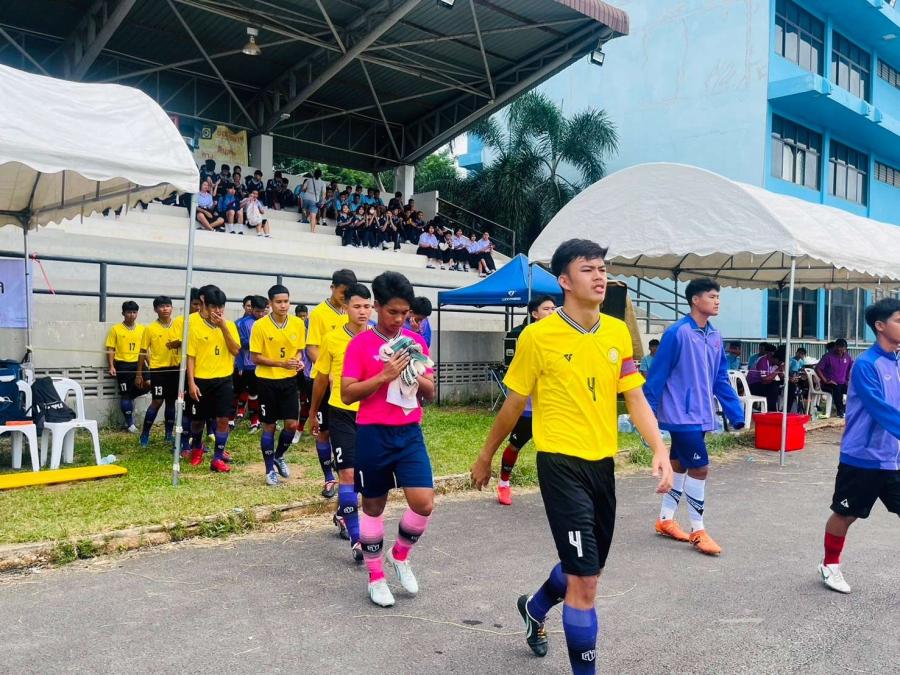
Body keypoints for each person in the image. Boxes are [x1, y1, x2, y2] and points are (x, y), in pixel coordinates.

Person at [470, 240, 672, 673]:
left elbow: (634, 396)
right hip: (560, 464)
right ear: (564, 280)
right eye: (588, 269)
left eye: (602, 268)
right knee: (585, 583)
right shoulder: (537, 336)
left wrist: (659, 448)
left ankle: (535, 607)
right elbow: (513, 403)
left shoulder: (617, 332)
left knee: (588, 569)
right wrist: (486, 456)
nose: (600, 276)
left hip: (603, 465)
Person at [342, 271, 436, 608]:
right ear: (377, 306)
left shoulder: (415, 341)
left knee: (423, 503)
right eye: (392, 312)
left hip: (409, 432)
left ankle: (400, 555)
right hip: (373, 432)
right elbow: (348, 393)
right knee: (373, 506)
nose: (399, 319)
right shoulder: (360, 344)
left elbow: (430, 393)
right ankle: (376, 577)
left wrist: (414, 374)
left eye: (404, 313)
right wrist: (385, 375)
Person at [644, 277, 745, 556]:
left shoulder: (715, 336)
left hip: (701, 414)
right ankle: (698, 530)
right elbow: (657, 375)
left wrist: (735, 412)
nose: (717, 301)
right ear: (695, 300)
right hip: (680, 414)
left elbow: (720, 377)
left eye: (718, 297)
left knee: (678, 466)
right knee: (700, 468)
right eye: (712, 296)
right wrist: (647, 416)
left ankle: (665, 520)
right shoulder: (677, 333)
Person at [818, 298, 900, 594]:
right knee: (846, 514)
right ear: (880, 326)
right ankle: (830, 565)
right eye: (899, 320)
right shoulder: (866, 365)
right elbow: (880, 409)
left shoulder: (897, 362)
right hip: (862, 457)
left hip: (892, 458)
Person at [309, 283, 372, 560]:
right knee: (347, 474)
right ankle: (357, 539)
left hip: (372, 413)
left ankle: (342, 513)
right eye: (357, 306)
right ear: (346, 307)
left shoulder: (379, 338)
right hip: (341, 412)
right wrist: (313, 411)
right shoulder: (332, 339)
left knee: (366, 477)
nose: (362, 311)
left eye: (367, 306)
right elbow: (321, 378)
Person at [494, 295, 556, 506]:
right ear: (534, 313)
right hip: (528, 406)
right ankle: (503, 483)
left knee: (553, 451)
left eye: (554, 308)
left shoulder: (563, 337)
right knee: (515, 445)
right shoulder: (527, 336)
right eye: (546, 309)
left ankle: (557, 489)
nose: (552, 312)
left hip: (551, 406)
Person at [307, 269, 358, 498]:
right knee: (324, 430)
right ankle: (329, 478)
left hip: (350, 384)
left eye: (349, 293)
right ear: (332, 288)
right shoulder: (319, 314)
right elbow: (311, 347)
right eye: (342, 292)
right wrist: (326, 369)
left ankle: (348, 475)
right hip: (326, 382)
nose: (345, 297)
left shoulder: (354, 312)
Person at [250, 285, 307, 486]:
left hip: (289, 381)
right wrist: (280, 363)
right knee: (270, 426)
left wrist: (298, 361)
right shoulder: (260, 326)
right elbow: (255, 357)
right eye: (279, 302)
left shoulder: (298, 323)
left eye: (286, 301)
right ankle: (269, 471)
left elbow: (299, 350)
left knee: (292, 424)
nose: (283, 305)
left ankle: (279, 455)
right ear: (270, 303)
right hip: (267, 382)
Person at [186, 285, 240, 473]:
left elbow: (235, 350)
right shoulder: (194, 325)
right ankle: (196, 448)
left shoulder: (229, 325)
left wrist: (223, 326)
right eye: (214, 307)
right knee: (197, 420)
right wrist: (191, 382)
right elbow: (191, 357)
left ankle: (217, 457)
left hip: (224, 380)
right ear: (205, 306)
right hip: (201, 379)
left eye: (221, 307)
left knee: (223, 419)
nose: (218, 310)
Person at [136, 296, 179, 446]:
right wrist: (139, 374)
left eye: (168, 305)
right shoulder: (150, 329)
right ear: (155, 309)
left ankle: (169, 435)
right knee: (157, 401)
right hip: (158, 370)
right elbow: (142, 352)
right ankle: (144, 434)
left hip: (175, 369)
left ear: (172, 308)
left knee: (171, 402)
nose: (165, 309)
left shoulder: (178, 325)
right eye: (161, 306)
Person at [105, 300, 147, 432]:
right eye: (129, 312)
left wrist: (151, 364)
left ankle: (130, 397)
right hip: (123, 365)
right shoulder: (116, 329)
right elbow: (110, 348)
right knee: (125, 394)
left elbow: (145, 349)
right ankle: (129, 424)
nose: (132, 315)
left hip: (139, 363)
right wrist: (111, 366)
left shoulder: (142, 329)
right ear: (123, 313)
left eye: (134, 312)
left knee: (150, 383)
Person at [233, 296, 267, 431]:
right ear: (251, 309)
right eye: (258, 311)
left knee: (259, 393)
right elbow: (242, 343)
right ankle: (233, 419)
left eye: (263, 311)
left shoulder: (268, 322)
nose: (260, 314)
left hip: (265, 364)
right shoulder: (243, 323)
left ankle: (258, 420)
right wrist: (260, 342)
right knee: (242, 391)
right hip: (249, 364)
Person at [816, 338, 853, 417]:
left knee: (854, 389)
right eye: (838, 347)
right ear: (835, 347)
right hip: (828, 383)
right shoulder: (828, 356)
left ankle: (848, 409)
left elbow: (851, 368)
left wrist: (848, 379)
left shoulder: (847, 357)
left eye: (842, 348)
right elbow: (818, 368)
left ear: (845, 348)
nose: (839, 350)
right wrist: (825, 380)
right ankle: (840, 411)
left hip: (843, 383)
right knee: (836, 388)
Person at [747, 345, 785, 412]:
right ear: (775, 358)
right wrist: (777, 370)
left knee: (789, 385)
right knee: (773, 386)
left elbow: (782, 378)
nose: (780, 363)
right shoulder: (763, 361)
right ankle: (771, 411)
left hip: (765, 384)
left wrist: (782, 371)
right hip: (754, 385)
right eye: (780, 362)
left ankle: (786, 410)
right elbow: (764, 379)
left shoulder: (776, 364)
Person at [300, 168, 326, 233]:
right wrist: (322, 202)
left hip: (306, 197)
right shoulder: (322, 183)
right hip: (315, 200)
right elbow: (324, 194)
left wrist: (308, 190)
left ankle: (304, 220)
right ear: (321, 175)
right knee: (313, 216)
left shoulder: (309, 180)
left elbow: (303, 189)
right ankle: (312, 231)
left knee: (304, 209)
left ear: (314, 174)